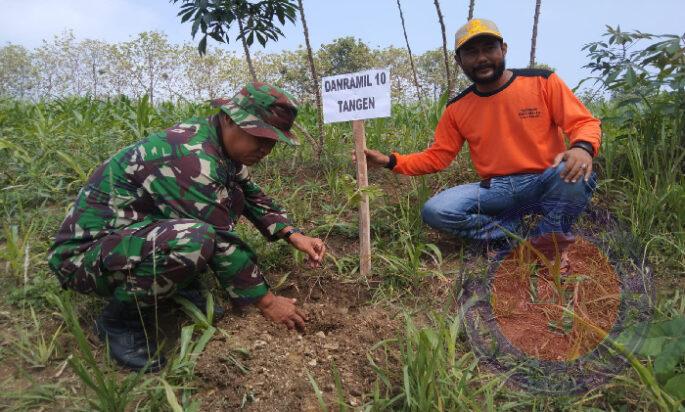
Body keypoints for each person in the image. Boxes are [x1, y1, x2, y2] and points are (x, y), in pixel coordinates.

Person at [48, 82, 326, 371]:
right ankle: (119, 322)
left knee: (231, 196)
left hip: (130, 238)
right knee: (196, 239)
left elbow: (250, 192)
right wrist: (267, 302)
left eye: (272, 142)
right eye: (259, 137)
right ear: (230, 119)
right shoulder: (192, 157)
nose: (266, 149)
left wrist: (292, 234)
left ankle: (174, 287)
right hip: (84, 257)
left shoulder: (218, 143)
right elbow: (221, 241)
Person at [358, 18, 600, 268]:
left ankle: (548, 243)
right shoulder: (457, 108)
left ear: (503, 49)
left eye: (488, 48)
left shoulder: (542, 82)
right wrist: (389, 161)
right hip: (497, 189)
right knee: (435, 210)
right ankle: (509, 234)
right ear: (459, 61)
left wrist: (582, 148)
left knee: (575, 172)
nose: (481, 58)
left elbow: (584, 123)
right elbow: (438, 157)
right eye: (471, 52)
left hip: (546, 179)